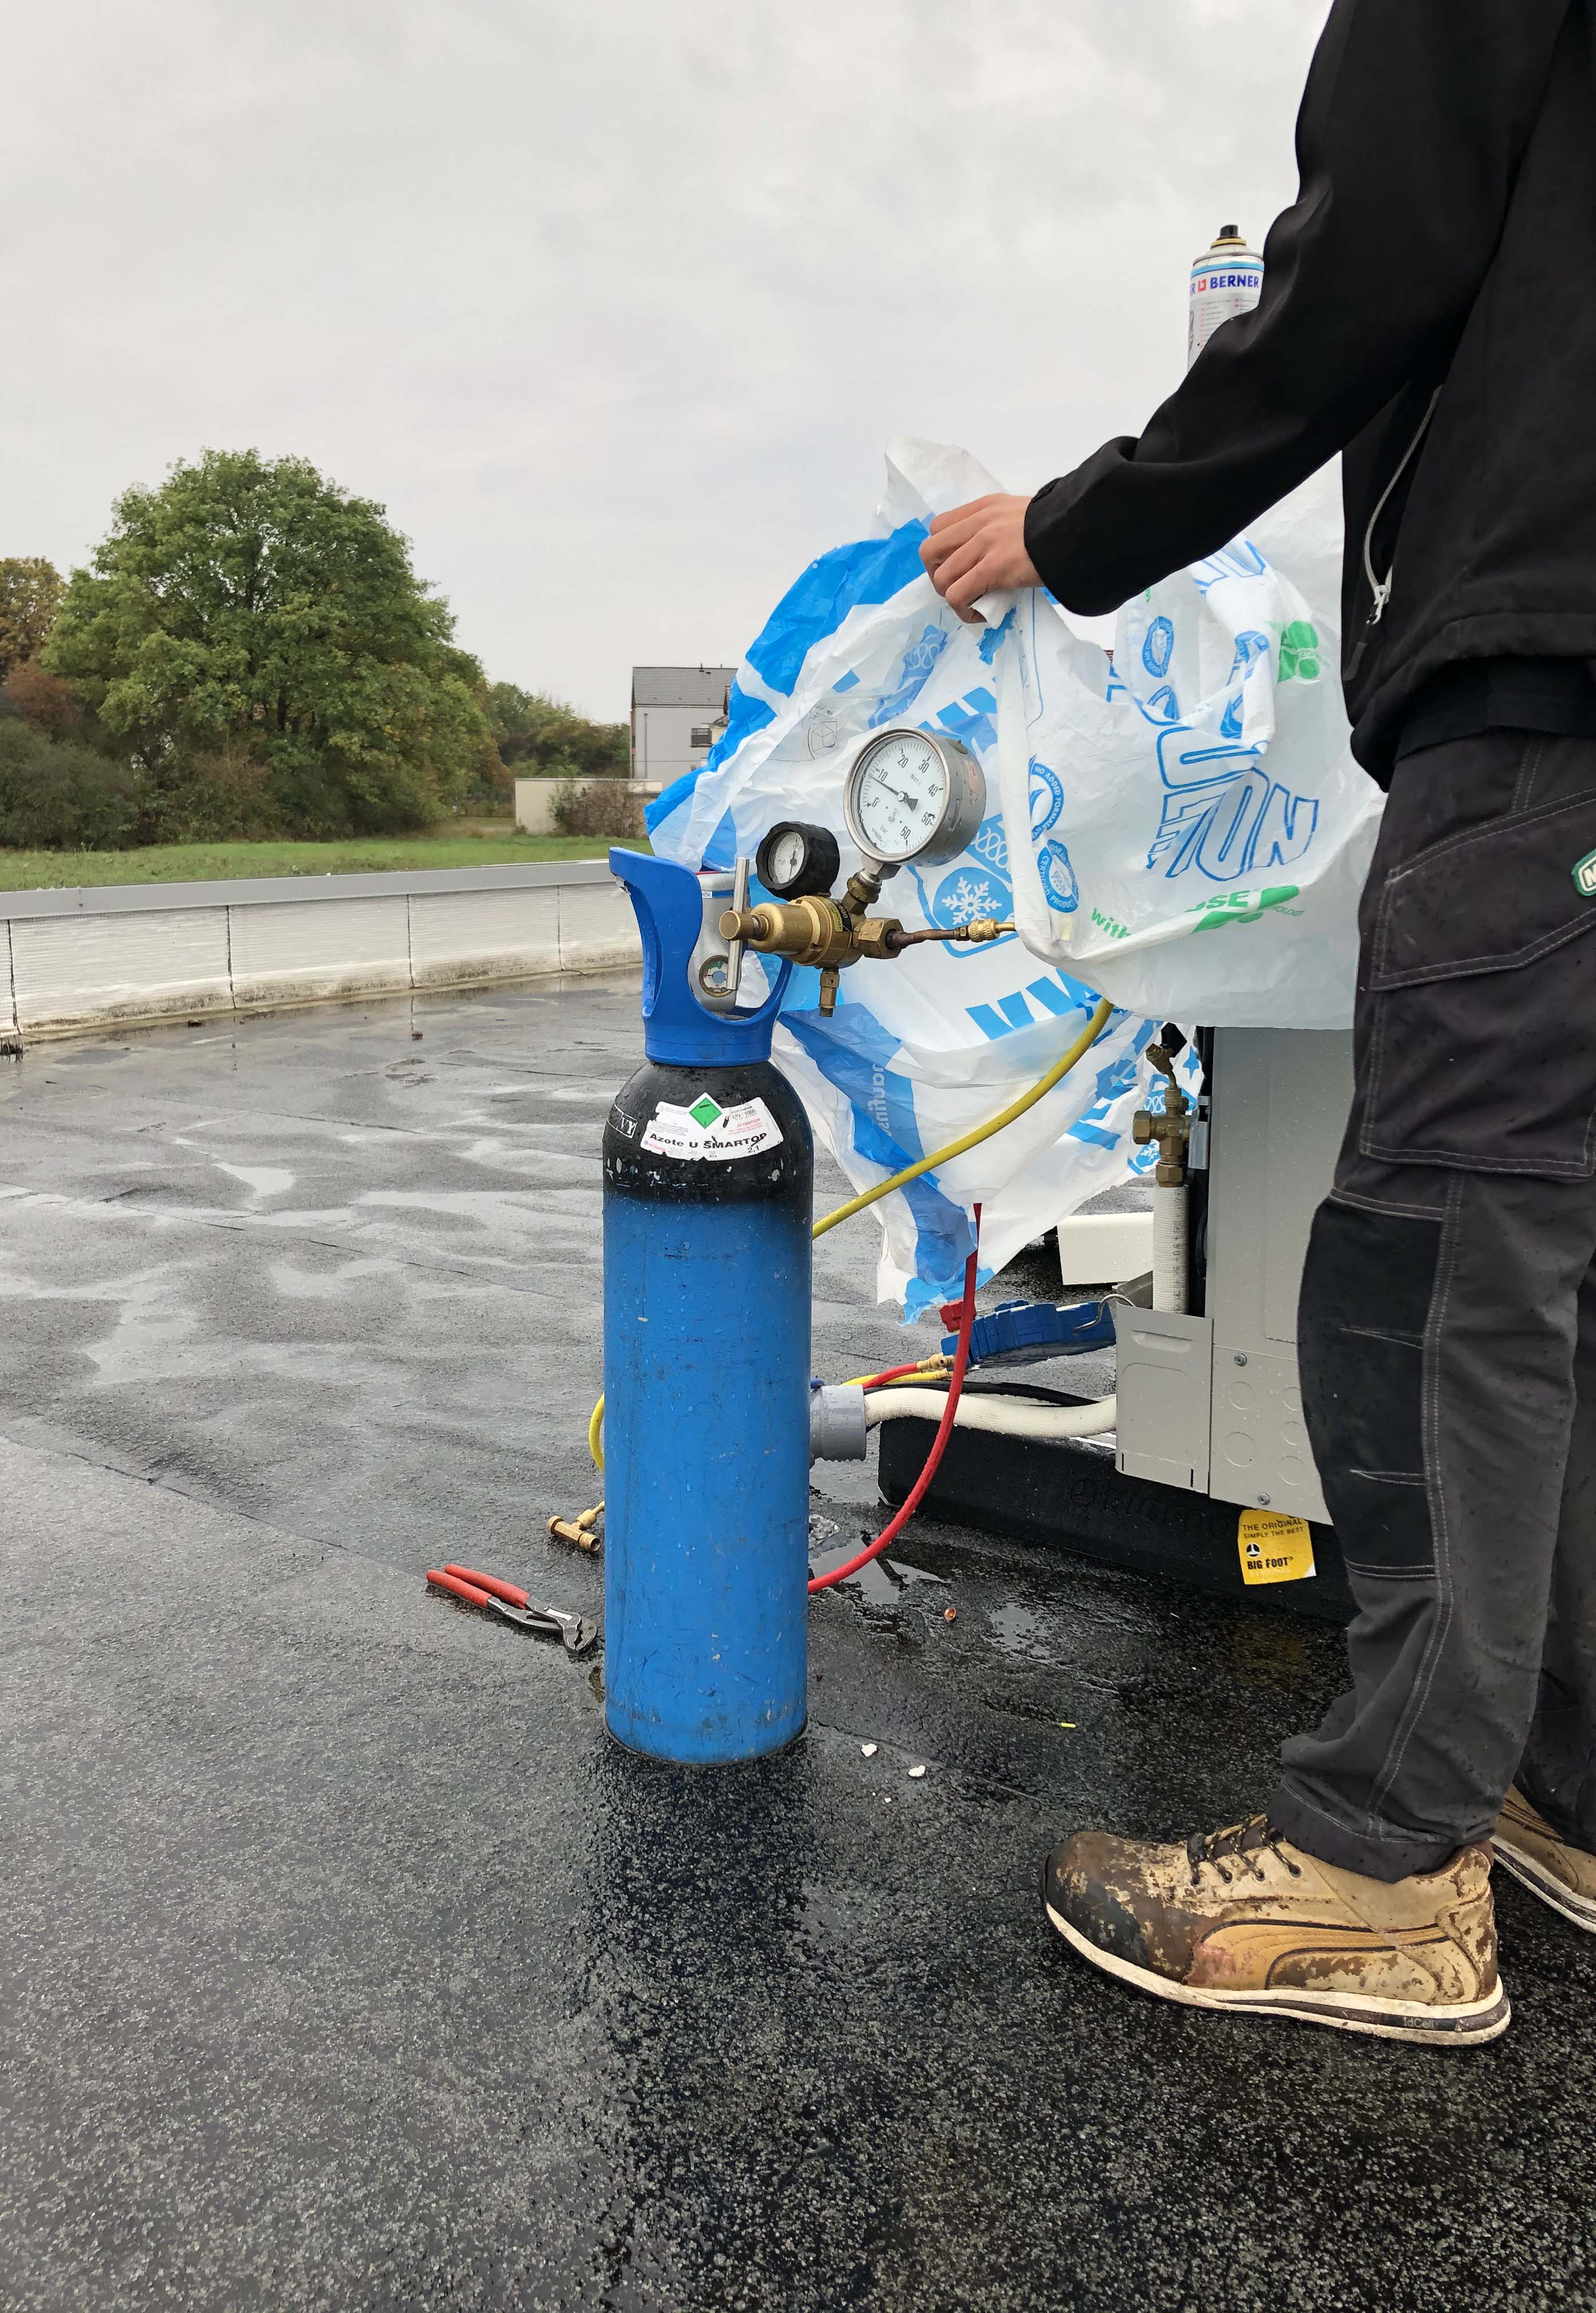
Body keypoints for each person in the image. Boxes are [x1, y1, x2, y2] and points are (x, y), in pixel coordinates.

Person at [922, 0, 1596, 2047]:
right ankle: (1561, 1782)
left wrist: (1086, 521)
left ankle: (1388, 1861)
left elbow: (1369, 256)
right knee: (1558, 1278)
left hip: (1546, 692)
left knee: (1436, 1273)